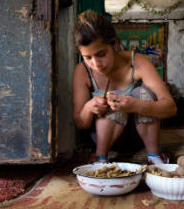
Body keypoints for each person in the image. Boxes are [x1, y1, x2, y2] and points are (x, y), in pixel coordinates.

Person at [72, 10, 177, 165]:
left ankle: (154, 157)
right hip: (106, 138)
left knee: (141, 92)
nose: (96, 64)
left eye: (101, 54)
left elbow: (170, 108)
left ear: (114, 44)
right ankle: (100, 159)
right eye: (88, 57)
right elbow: (81, 123)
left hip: (139, 137)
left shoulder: (137, 63)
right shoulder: (83, 71)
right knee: (108, 100)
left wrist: (135, 105)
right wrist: (89, 107)